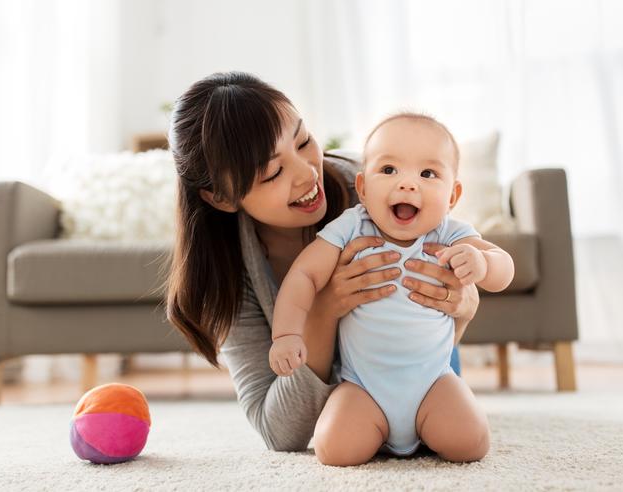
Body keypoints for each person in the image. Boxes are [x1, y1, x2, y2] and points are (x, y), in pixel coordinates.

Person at [165, 71, 482, 456]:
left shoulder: (377, 193)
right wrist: (323, 311)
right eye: (274, 172)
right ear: (221, 197)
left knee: (461, 434)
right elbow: (279, 432)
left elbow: (455, 285)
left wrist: (464, 306)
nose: (306, 173)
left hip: (429, 375)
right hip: (354, 406)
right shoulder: (228, 272)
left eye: (303, 141)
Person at [269, 113, 514, 465]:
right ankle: (378, 429)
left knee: (470, 443)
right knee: (334, 450)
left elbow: (503, 267)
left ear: (453, 195)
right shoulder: (352, 227)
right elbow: (304, 276)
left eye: (428, 174)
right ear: (364, 188)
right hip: (363, 388)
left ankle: (428, 425)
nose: (408, 184)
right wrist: (287, 334)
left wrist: (483, 263)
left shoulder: (449, 233)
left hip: (433, 382)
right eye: (389, 170)